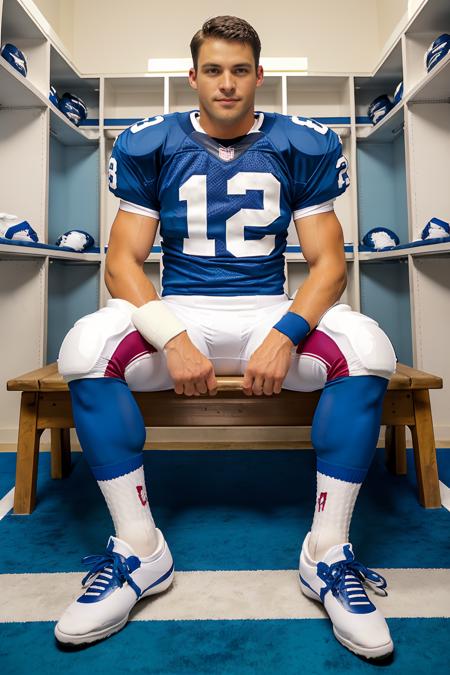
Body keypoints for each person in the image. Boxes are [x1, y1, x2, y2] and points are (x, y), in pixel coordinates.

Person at [54, 15, 397, 660]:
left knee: (370, 348)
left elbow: (328, 265)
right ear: (193, 77)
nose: (227, 83)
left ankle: (327, 552)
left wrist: (288, 330)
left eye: (240, 70)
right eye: (213, 70)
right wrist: (172, 336)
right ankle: (139, 548)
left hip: (268, 307)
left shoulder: (304, 144)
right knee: (84, 349)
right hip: (181, 309)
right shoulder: (149, 142)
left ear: (259, 76)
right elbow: (122, 263)